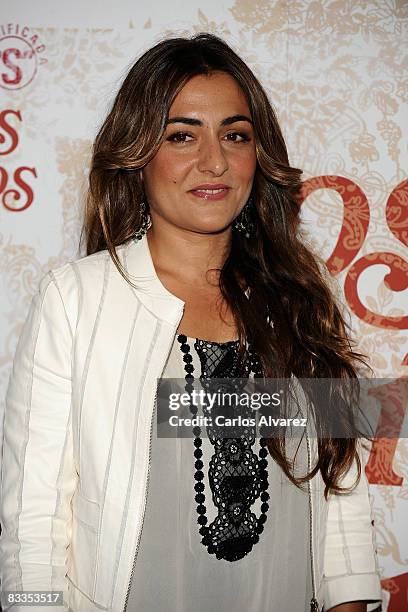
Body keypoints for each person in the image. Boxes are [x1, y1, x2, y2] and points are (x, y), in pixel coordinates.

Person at [0, 33, 382, 612]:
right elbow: (32, 522)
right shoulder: (76, 299)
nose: (215, 161)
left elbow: (341, 507)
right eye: (182, 135)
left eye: (235, 135)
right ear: (137, 152)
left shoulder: (301, 301)